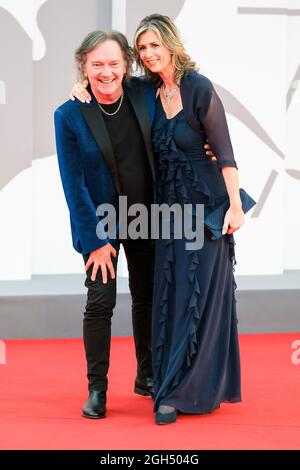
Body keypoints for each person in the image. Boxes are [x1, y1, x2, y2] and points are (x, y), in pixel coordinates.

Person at [56, 29, 215, 420]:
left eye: (114, 63)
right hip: (102, 224)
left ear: (126, 65)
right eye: (96, 65)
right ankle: (97, 388)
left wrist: (206, 145)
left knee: (148, 297)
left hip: (148, 215)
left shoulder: (144, 94)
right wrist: (94, 239)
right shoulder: (69, 114)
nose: (106, 72)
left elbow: (181, 109)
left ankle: (147, 375)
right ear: (84, 66)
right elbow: (72, 183)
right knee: (100, 302)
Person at [133, 14, 245, 424]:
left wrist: (234, 207)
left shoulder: (199, 88)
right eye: (142, 49)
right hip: (168, 213)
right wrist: (80, 88)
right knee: (172, 294)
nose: (148, 55)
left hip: (206, 208)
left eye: (154, 46)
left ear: (171, 45)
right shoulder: (146, 91)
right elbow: (105, 86)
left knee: (196, 298)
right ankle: (169, 381)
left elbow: (226, 154)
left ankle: (181, 393)